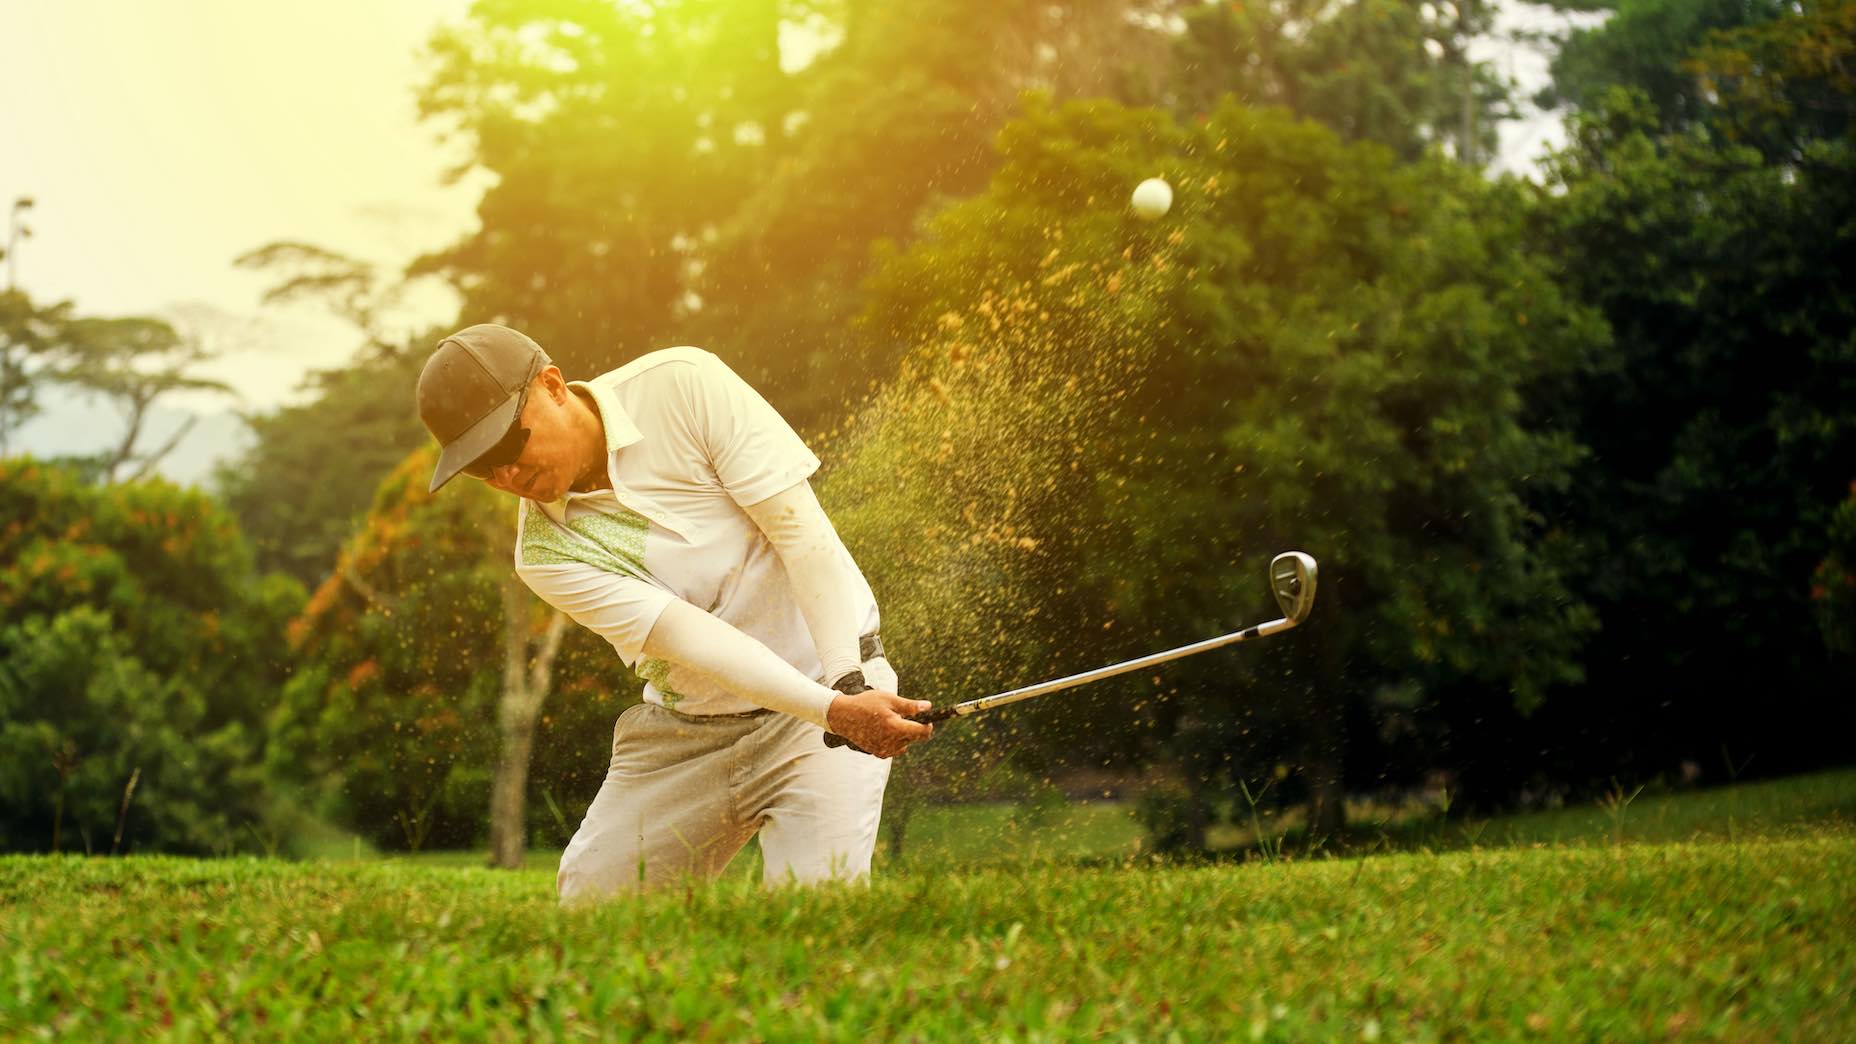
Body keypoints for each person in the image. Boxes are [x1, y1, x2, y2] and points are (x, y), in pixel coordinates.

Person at [415, 323, 933, 902]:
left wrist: (845, 686)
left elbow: (801, 537)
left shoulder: (683, 385)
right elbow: (695, 640)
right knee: (591, 906)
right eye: (483, 468)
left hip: (828, 692)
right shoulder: (542, 554)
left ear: (553, 385)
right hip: (690, 734)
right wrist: (836, 710)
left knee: (816, 907)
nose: (506, 476)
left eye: (509, 446)